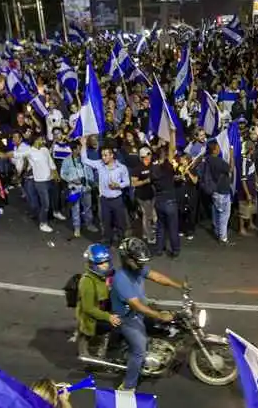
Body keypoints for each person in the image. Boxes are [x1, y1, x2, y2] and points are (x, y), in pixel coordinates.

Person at [111, 238, 185, 391]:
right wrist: (158, 315)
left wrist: (179, 286)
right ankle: (128, 385)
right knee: (139, 351)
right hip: (127, 318)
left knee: (167, 325)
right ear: (127, 259)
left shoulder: (137, 268)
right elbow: (136, 305)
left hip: (140, 310)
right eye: (138, 262)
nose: (142, 265)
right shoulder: (121, 278)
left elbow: (156, 277)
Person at [80, 137, 131, 247]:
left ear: (112, 155)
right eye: (102, 155)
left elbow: (127, 182)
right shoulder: (99, 165)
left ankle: (123, 241)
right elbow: (85, 160)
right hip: (104, 200)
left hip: (117, 199)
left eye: (106, 155)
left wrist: (119, 185)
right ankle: (107, 240)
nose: (103, 158)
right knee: (105, 222)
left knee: (120, 222)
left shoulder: (121, 168)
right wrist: (83, 145)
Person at [76, 244, 120, 359]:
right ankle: (101, 351)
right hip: (93, 318)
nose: (105, 265)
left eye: (106, 261)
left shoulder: (109, 275)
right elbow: (88, 309)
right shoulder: (87, 282)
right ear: (92, 264)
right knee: (120, 325)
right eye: (100, 263)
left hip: (107, 308)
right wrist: (109, 317)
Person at [202, 140, 234, 245]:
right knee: (224, 215)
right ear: (215, 150)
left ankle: (217, 231)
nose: (220, 148)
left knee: (216, 211)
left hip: (214, 190)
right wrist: (231, 154)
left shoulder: (208, 159)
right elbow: (231, 169)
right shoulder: (218, 161)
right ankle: (223, 238)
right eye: (218, 147)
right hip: (222, 191)